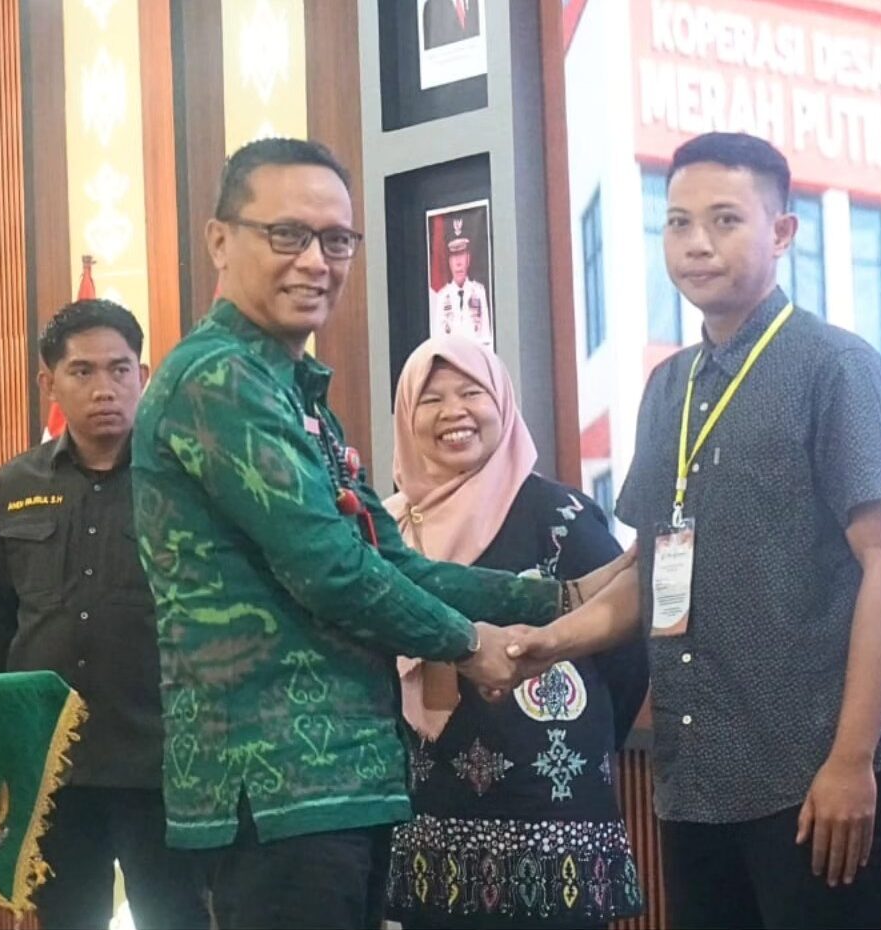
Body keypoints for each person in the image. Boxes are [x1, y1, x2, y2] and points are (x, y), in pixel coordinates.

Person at [131, 137, 606, 930]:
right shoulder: (218, 378)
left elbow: (390, 561)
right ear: (219, 239)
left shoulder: (294, 392)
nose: (315, 261)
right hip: (277, 781)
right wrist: (470, 643)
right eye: (287, 234)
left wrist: (561, 597)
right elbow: (327, 568)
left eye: (336, 240)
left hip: (346, 778)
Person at [506, 131, 881, 930]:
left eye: (726, 220)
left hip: (810, 773)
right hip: (695, 773)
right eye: (678, 223)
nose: (697, 243)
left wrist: (852, 759)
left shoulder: (834, 366)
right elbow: (652, 572)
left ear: (782, 232)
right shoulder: (667, 387)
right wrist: (545, 643)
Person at [383, 337, 647, 930]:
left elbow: (626, 648)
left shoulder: (562, 517)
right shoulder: (388, 529)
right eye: (431, 399)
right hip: (430, 818)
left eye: (471, 393)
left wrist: (586, 740)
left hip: (550, 818)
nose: (454, 411)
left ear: (501, 403)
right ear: (405, 416)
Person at [0, 299, 209, 929]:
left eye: (119, 369)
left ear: (143, 375)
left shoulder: (185, 480)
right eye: (82, 371)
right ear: (49, 383)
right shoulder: (16, 484)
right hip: (52, 769)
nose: (105, 388)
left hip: (165, 763)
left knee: (177, 917)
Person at [429, 236, 491, 346]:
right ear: (449, 262)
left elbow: (485, 337)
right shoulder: (442, 296)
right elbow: (437, 340)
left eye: (461, 255)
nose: (458, 263)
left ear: (468, 259)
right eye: (454, 257)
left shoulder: (479, 292)